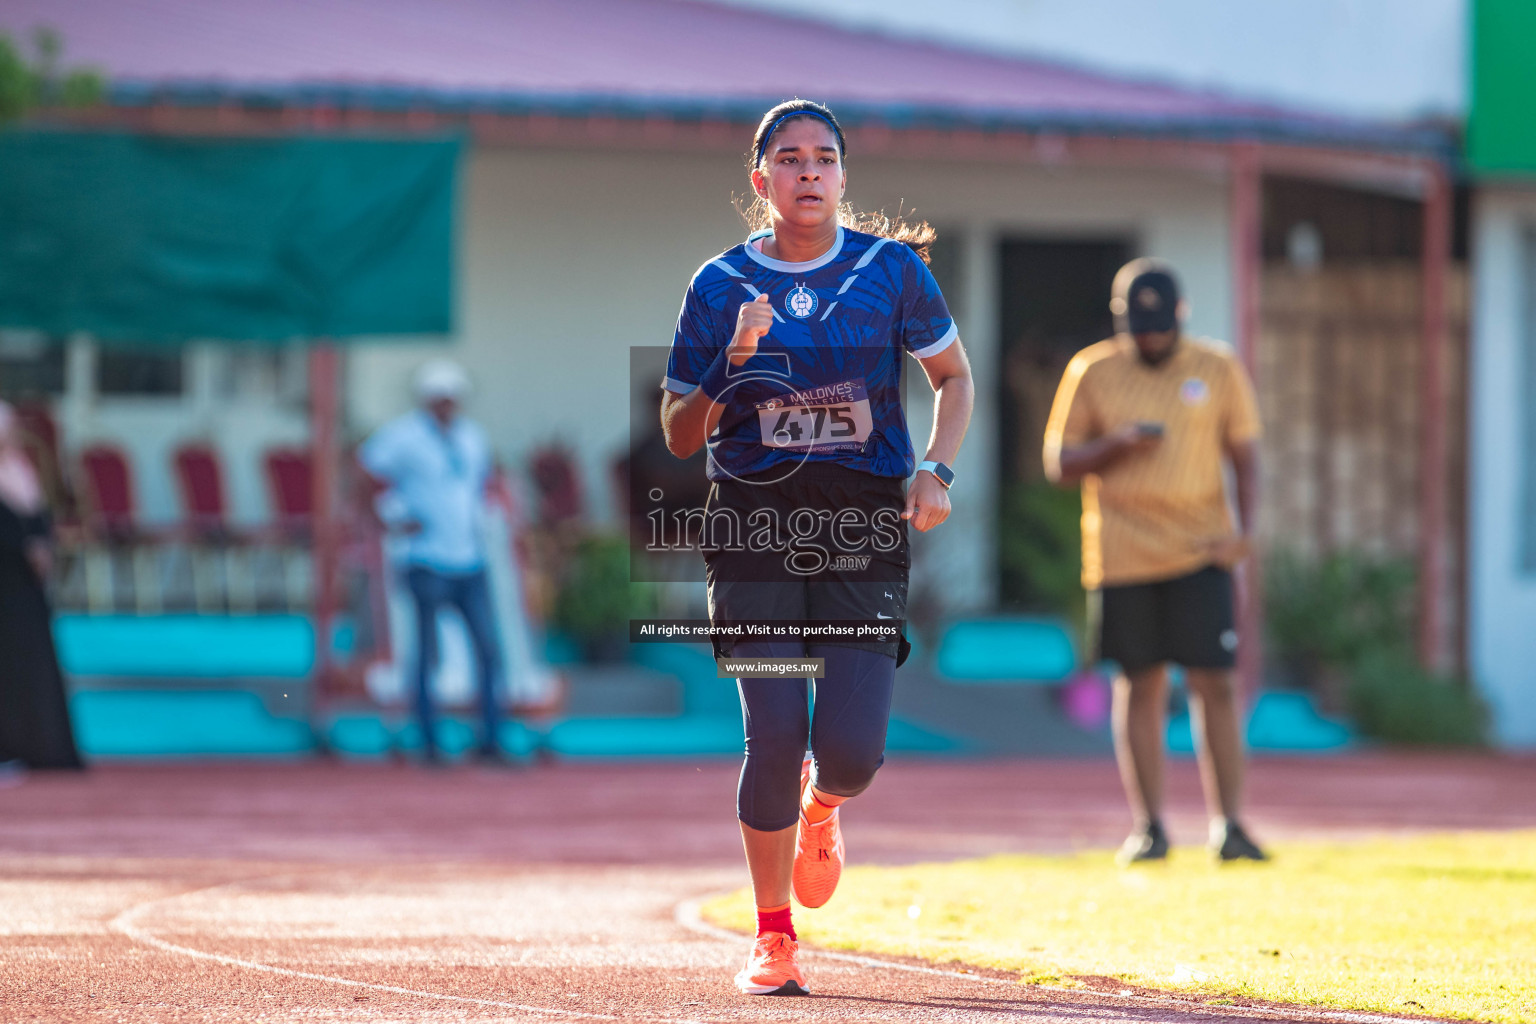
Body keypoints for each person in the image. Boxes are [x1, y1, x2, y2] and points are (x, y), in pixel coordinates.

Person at [661, 99, 974, 996]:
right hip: (755, 524)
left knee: (850, 753)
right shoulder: (719, 284)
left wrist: (936, 473)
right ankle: (772, 935)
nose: (808, 172)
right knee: (770, 736)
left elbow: (953, 378)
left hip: (862, 518)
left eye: (824, 158)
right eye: (789, 159)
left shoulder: (892, 271)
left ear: (842, 176)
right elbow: (681, 436)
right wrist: (733, 355)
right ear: (760, 180)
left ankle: (825, 805)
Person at [1043, 258, 1267, 864]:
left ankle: (1231, 827)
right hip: (1122, 556)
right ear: (1121, 321)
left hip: (1202, 552)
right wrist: (1116, 445)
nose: (1151, 337)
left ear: (1181, 316)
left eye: (1161, 327)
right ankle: (1150, 828)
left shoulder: (1217, 368)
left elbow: (1246, 458)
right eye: (1139, 327)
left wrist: (1245, 536)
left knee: (1214, 683)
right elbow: (1057, 465)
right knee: (1138, 684)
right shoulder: (1091, 370)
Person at [359, 360, 507, 765]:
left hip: (469, 557)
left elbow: (484, 482)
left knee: (488, 651)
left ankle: (490, 738)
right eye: (440, 399)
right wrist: (386, 516)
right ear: (427, 399)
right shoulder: (403, 436)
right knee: (424, 652)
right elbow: (363, 473)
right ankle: (429, 742)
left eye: (452, 399)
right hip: (424, 557)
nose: (447, 405)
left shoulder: (471, 436)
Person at [0, 401, 83, 770]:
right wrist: (22, 547)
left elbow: (37, 518)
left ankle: (37, 748)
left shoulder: (20, 471)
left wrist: (41, 547)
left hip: (24, 588)